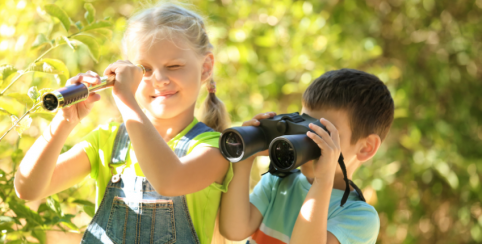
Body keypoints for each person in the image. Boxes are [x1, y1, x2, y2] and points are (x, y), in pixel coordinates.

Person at [14, 3, 232, 244]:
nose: (159, 80)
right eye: (145, 70)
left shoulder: (215, 149)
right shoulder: (108, 141)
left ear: (206, 68)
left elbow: (169, 180)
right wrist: (65, 120)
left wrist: (126, 98)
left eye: (174, 66)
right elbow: (28, 188)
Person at [219, 69, 394, 244]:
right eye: (305, 126)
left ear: (366, 148)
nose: (308, 139)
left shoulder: (359, 217)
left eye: (323, 133)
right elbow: (233, 230)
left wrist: (322, 181)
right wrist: (245, 155)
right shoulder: (279, 182)